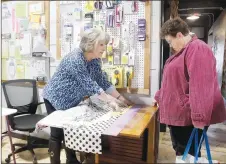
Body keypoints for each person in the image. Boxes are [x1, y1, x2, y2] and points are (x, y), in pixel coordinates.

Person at [43, 28, 132, 164]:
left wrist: (120, 98)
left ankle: (71, 160)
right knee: (57, 134)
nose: (104, 47)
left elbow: (101, 81)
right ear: (91, 44)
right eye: (101, 44)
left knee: (69, 131)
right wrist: (110, 101)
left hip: (70, 101)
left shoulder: (95, 60)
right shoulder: (75, 59)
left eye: (105, 44)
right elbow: (90, 85)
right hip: (54, 98)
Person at [153, 17, 226, 157]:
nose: (171, 45)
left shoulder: (197, 49)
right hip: (182, 113)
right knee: (183, 152)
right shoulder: (184, 51)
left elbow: (201, 86)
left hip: (188, 116)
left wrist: (199, 117)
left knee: (188, 154)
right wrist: (159, 97)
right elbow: (174, 82)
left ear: (179, 35)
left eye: (170, 41)